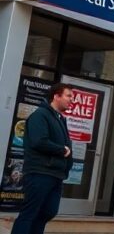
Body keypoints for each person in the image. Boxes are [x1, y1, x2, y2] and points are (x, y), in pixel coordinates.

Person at [12, 83, 73, 234]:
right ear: (56, 96)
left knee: (48, 212)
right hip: (40, 172)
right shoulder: (40, 115)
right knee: (29, 213)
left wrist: (67, 165)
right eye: (68, 96)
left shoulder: (59, 119)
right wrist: (61, 150)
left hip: (56, 174)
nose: (71, 100)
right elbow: (38, 141)